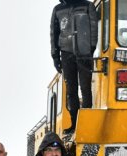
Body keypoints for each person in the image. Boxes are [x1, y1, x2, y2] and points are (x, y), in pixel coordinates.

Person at [50, 0, 98, 133]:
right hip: (66, 53)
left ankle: (86, 123)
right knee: (71, 90)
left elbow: (94, 29)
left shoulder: (87, 6)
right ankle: (74, 124)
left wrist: (90, 49)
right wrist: (55, 56)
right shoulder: (58, 9)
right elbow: (54, 33)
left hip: (84, 52)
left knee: (85, 88)